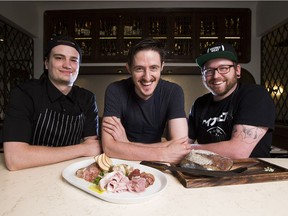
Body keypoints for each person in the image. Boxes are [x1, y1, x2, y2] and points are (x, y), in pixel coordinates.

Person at [3, 36, 101, 171]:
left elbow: (93, 148)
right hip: (28, 174)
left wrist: (87, 148)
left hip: (70, 172)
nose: (67, 65)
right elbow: (15, 159)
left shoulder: (87, 98)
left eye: (74, 60)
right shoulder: (25, 94)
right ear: (46, 63)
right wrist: (82, 148)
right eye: (59, 58)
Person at [101, 38, 191, 163]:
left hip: (153, 163)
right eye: (139, 69)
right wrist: (163, 153)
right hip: (121, 162)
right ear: (129, 68)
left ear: (162, 67)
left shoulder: (174, 91)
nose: (147, 77)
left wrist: (125, 144)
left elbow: (181, 147)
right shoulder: (115, 90)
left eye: (153, 68)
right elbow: (109, 148)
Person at [188, 42, 275, 158]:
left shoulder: (255, 95)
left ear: (237, 70)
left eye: (223, 68)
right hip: (208, 172)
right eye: (209, 70)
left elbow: (237, 152)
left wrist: (189, 149)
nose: (215, 76)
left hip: (250, 173)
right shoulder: (199, 104)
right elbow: (183, 142)